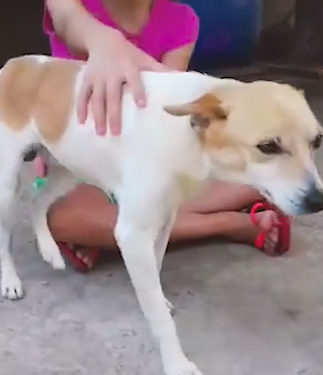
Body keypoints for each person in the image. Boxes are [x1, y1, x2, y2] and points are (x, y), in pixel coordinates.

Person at [38, 0, 291, 272]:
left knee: (252, 172)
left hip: (147, 158)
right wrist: (101, 41)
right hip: (86, 165)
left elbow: (167, 112)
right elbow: (66, 18)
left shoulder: (181, 20)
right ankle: (227, 223)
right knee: (63, 219)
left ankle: (109, 235)